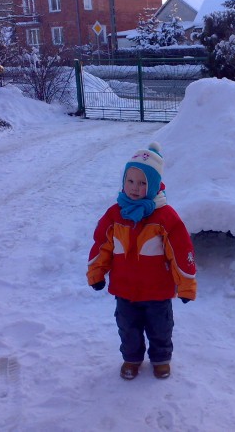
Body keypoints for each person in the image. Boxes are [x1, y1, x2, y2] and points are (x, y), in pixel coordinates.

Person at [87, 142, 197, 380]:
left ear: (154, 185)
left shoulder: (165, 217)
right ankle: (132, 359)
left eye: (143, 182)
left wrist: (186, 285)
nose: (135, 188)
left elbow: (181, 252)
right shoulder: (114, 215)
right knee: (128, 329)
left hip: (157, 291)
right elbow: (101, 245)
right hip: (125, 289)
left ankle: (160, 359)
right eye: (131, 181)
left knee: (160, 328)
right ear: (124, 181)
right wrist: (96, 273)